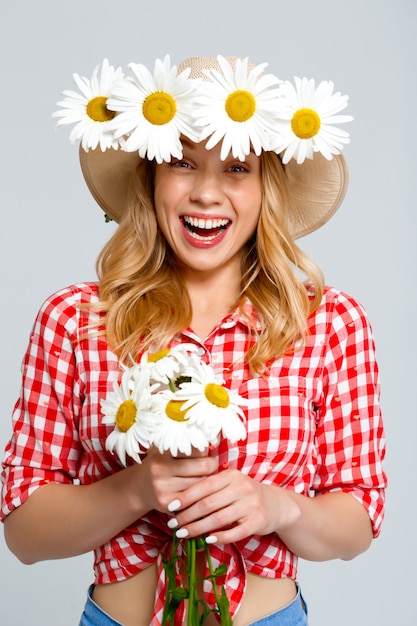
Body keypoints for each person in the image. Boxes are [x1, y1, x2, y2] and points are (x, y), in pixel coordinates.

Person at [1, 55, 386, 626]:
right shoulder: (76, 319)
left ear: (265, 189)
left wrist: (276, 506)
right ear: (151, 177)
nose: (207, 193)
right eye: (182, 162)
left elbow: (357, 525)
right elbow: (24, 534)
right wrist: (135, 489)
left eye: (236, 168)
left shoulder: (330, 322)